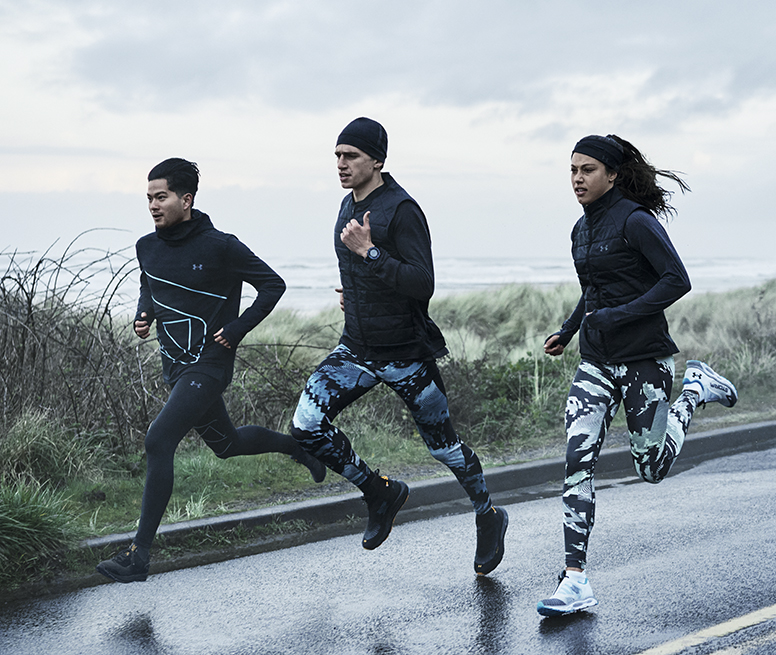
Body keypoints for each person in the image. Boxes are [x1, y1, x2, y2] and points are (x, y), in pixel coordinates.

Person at [289, 117, 508, 575]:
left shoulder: (403, 209)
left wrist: (371, 253)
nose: (341, 164)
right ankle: (380, 492)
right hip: (356, 350)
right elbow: (360, 268)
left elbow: (421, 283)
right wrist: (354, 290)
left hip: (406, 355)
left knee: (443, 448)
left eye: (351, 156)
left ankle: (488, 516)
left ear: (378, 160)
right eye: (337, 156)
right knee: (306, 425)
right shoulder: (346, 204)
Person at [536, 135, 738, 617]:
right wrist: (568, 331)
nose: (577, 179)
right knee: (576, 458)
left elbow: (677, 279)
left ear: (612, 174)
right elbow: (592, 290)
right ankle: (575, 578)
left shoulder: (636, 221)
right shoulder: (579, 231)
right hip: (596, 361)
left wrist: (622, 315)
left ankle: (694, 391)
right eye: (572, 171)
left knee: (651, 469)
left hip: (645, 360)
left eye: (587, 170)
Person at [96, 158, 325, 583]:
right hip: (175, 364)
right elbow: (149, 284)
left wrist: (237, 328)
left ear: (186, 199)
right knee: (227, 443)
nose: (152, 205)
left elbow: (272, 284)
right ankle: (299, 449)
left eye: (160, 197)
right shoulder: (146, 246)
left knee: (158, 440)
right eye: (148, 198)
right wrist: (143, 314)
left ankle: (138, 556)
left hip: (209, 365)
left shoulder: (221, 245)